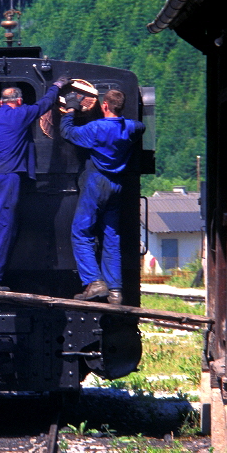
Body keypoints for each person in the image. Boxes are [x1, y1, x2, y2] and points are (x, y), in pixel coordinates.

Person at [0, 77, 69, 290]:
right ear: (19, 101)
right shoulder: (22, 113)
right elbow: (44, 104)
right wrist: (57, 86)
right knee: (3, 226)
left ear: (0, 102)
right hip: (8, 177)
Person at [59, 88, 145, 304]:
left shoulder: (96, 128)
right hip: (117, 185)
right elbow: (142, 126)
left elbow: (67, 132)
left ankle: (94, 281)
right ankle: (115, 290)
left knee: (81, 232)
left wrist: (70, 109)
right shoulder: (132, 128)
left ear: (104, 106)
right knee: (111, 236)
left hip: (96, 183)